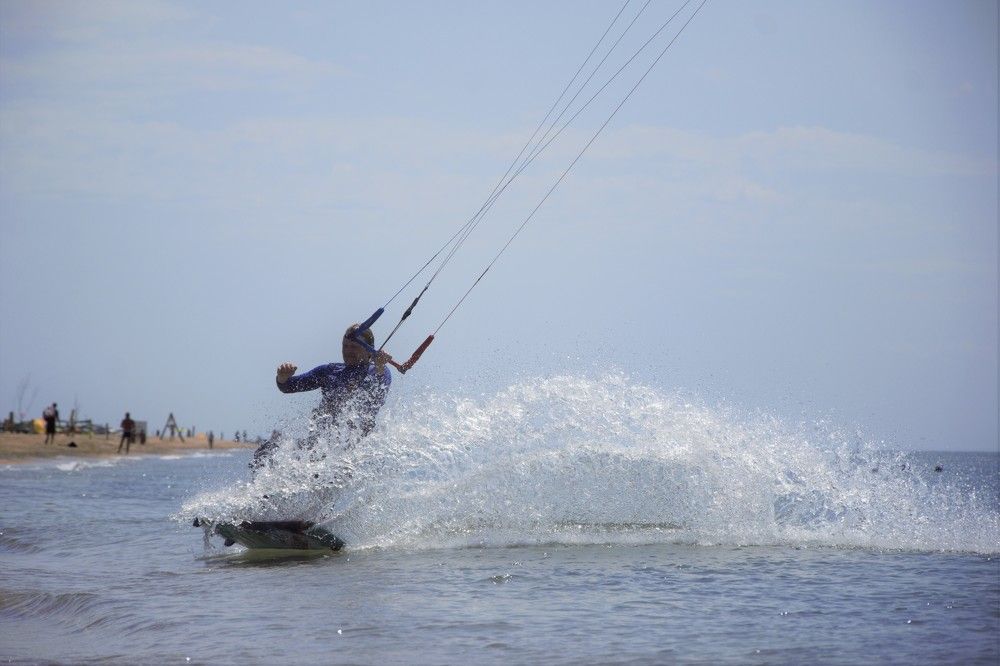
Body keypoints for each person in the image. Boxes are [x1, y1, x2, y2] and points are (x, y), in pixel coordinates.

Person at [251, 324, 392, 471]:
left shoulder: (378, 372)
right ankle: (260, 492)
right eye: (345, 346)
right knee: (266, 451)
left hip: (353, 451)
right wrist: (282, 378)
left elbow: (378, 398)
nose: (348, 351)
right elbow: (288, 387)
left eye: (354, 347)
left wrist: (381, 368)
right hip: (321, 445)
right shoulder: (329, 371)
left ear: (369, 350)